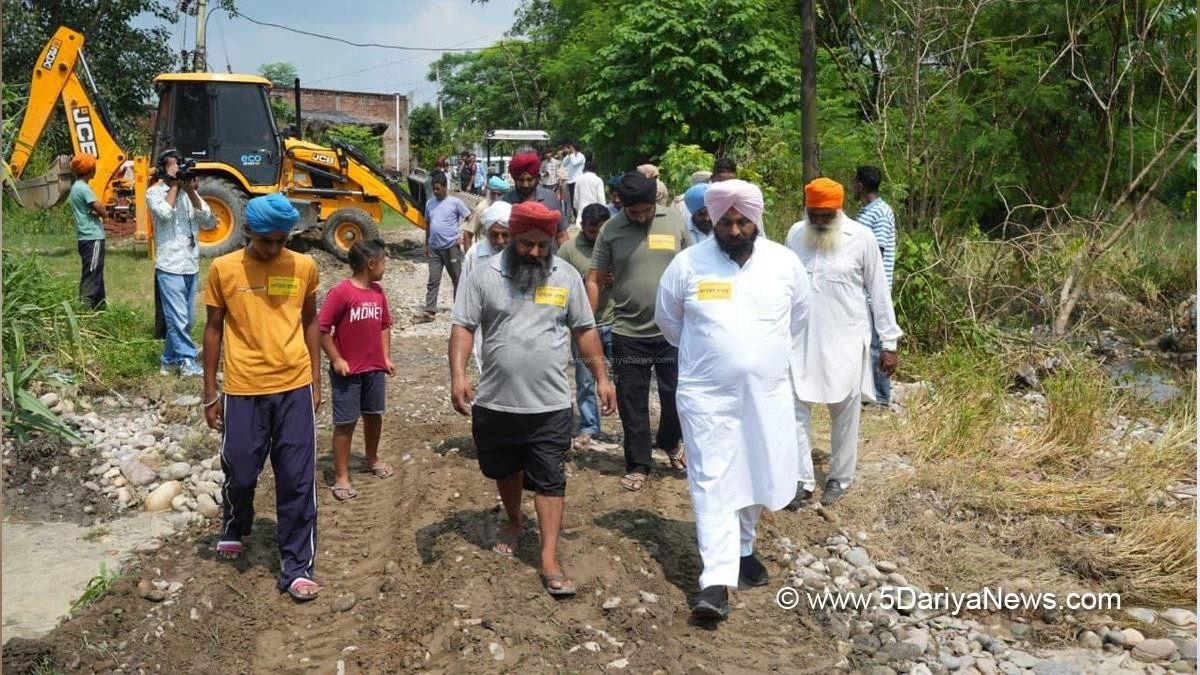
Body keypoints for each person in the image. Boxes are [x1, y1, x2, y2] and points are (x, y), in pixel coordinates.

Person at [656, 179, 810, 621]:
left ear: (756, 220)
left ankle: (742, 548)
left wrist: (754, 358)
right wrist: (719, 357)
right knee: (712, 479)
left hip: (766, 395)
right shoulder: (687, 266)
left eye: (744, 222)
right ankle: (716, 582)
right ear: (713, 220)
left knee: (755, 472)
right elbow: (669, 322)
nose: (737, 230)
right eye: (728, 222)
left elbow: (798, 317)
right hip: (707, 397)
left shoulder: (784, 263)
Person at [449, 201, 616, 597]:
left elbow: (585, 330)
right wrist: (458, 375)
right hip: (496, 401)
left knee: (549, 478)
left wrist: (602, 376)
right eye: (526, 245)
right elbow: (463, 326)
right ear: (512, 239)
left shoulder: (567, 276)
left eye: (543, 245)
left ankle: (549, 556)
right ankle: (513, 520)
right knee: (505, 470)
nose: (536, 253)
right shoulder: (484, 276)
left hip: (551, 404)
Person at [201, 193, 322, 601]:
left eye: (281, 241)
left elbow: (310, 321)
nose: (273, 249)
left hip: (293, 386)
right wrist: (209, 392)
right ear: (248, 230)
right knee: (241, 469)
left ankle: (297, 566)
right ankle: (236, 521)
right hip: (243, 387)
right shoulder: (223, 269)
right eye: (265, 240)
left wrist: (316, 382)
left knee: (297, 479)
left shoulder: (304, 266)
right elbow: (213, 329)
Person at [784, 178, 902, 507]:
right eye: (814, 215)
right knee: (794, 408)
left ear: (839, 209)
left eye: (826, 215)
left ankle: (839, 477)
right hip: (800, 339)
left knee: (845, 411)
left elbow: (880, 291)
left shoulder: (861, 238)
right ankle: (801, 479)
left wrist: (889, 343)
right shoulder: (795, 234)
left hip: (846, 339)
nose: (819, 222)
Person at [587, 172, 692, 491]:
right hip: (628, 331)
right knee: (632, 400)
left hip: (673, 331)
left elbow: (694, 266)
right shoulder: (611, 230)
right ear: (621, 205)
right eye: (634, 212)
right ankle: (639, 463)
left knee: (677, 395)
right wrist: (587, 322)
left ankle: (670, 440)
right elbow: (594, 277)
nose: (641, 217)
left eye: (646, 210)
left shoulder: (674, 220)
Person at [318, 238, 396, 502]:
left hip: (374, 369)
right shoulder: (341, 293)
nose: (385, 268)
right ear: (371, 264)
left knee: (374, 414)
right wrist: (337, 359)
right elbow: (322, 329)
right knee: (345, 422)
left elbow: (385, 325)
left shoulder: (378, 293)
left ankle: (372, 458)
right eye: (383, 262)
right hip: (347, 373)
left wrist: (385, 357)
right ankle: (341, 475)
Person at [146, 150, 215, 377]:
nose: (179, 170)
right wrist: (175, 186)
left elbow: (208, 221)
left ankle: (168, 361)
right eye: (175, 166)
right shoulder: (154, 193)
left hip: (190, 264)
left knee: (187, 318)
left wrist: (191, 192)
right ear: (163, 169)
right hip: (169, 265)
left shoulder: (188, 194)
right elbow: (165, 213)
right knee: (178, 317)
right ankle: (187, 360)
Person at [558, 204, 616, 447]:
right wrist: (585, 283)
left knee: (628, 377)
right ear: (582, 226)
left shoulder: (616, 245)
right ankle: (590, 426)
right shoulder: (568, 251)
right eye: (592, 232)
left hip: (615, 320)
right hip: (583, 325)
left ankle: (633, 429)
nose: (597, 237)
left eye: (601, 231)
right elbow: (557, 282)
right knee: (585, 379)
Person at [853, 165, 898, 406]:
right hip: (863, 291)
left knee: (877, 345)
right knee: (867, 343)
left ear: (860, 185)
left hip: (875, 289)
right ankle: (869, 393)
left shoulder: (880, 211)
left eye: (854, 182)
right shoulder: (866, 212)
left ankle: (880, 397)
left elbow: (876, 252)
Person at [460, 201, 512, 371]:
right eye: (494, 235)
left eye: (505, 235)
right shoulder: (475, 255)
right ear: (486, 232)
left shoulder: (520, 255)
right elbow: (463, 298)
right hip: (485, 324)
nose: (500, 240)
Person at [414, 171, 470, 324]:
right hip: (434, 249)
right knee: (433, 279)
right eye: (434, 189)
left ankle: (459, 310)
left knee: (457, 278)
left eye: (438, 188)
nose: (436, 192)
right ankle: (430, 310)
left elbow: (469, 218)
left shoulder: (455, 203)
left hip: (451, 247)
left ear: (445, 187)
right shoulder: (429, 203)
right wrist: (426, 244)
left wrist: (463, 236)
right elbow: (428, 224)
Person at [501, 152, 569, 244]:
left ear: (536, 178)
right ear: (514, 179)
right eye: (521, 180)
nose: (525, 185)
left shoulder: (550, 197)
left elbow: (562, 234)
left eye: (529, 180)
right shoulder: (505, 202)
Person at [68, 153, 108, 309]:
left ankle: (100, 307)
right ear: (91, 170)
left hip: (85, 238)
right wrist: (103, 213)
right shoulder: (84, 188)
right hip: (92, 237)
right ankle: (84, 307)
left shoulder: (75, 187)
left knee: (96, 272)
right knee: (91, 273)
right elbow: (98, 207)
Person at [462, 175, 511, 250]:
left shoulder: (508, 208)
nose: (496, 197)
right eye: (493, 193)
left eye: (499, 194)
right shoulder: (482, 208)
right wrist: (470, 258)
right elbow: (467, 235)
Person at [572, 159, 607, 226]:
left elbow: (576, 198)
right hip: (595, 212)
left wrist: (576, 208)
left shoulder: (579, 179)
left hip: (582, 211)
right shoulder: (598, 180)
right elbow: (601, 198)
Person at [560, 141, 586, 223]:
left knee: (578, 199)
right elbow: (564, 164)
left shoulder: (581, 156)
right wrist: (568, 155)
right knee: (572, 200)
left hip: (577, 180)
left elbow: (574, 163)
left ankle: (580, 216)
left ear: (574, 148)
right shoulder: (571, 156)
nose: (569, 149)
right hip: (570, 180)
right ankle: (575, 216)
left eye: (571, 148)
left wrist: (572, 155)